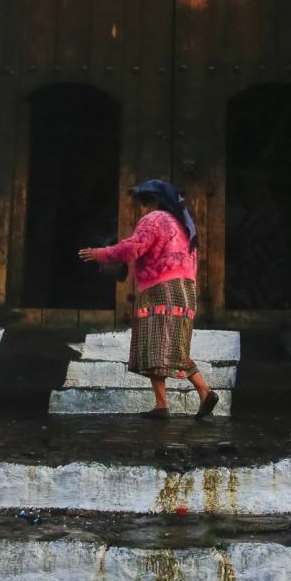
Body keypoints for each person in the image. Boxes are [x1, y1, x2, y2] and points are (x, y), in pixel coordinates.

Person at [79, 179, 218, 419]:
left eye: (143, 203)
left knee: (162, 346)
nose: (141, 209)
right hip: (185, 291)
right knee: (168, 346)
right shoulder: (184, 227)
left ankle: (202, 391)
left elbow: (133, 248)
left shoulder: (154, 219)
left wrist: (101, 254)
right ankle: (162, 405)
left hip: (161, 290)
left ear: (153, 202)